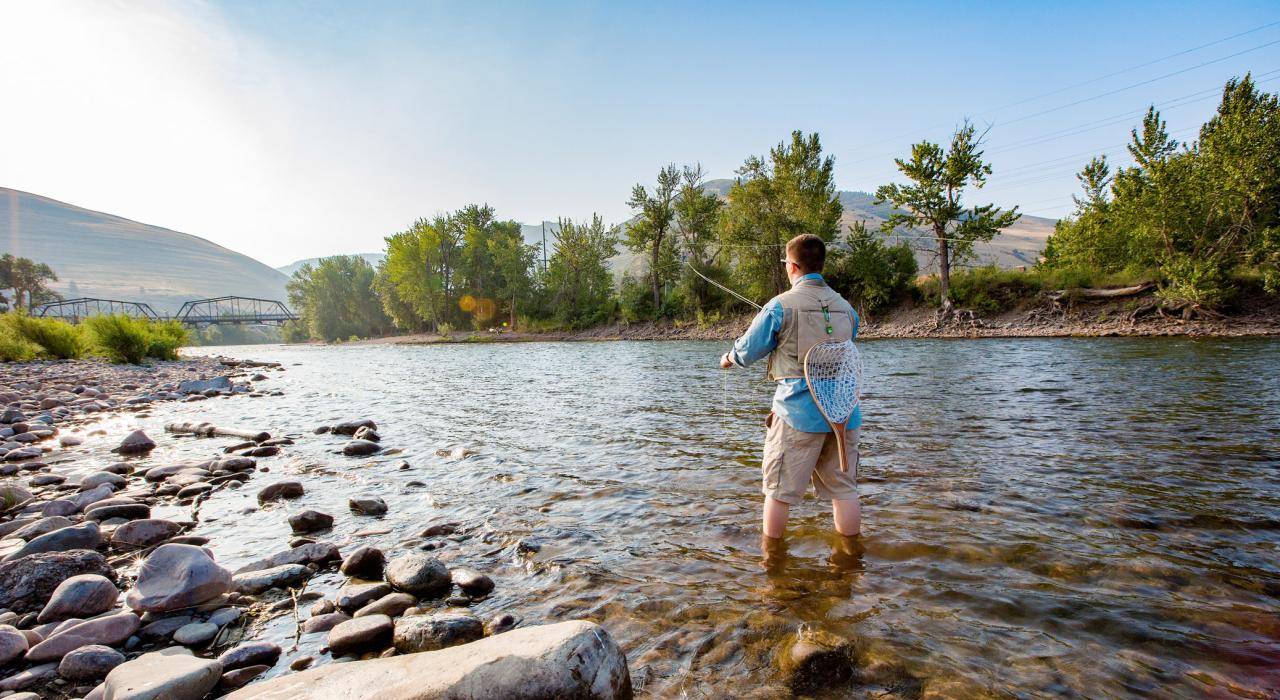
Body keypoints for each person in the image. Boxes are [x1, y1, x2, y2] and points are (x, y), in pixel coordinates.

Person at [719, 233, 862, 571]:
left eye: (786, 265)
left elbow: (746, 352)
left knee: (778, 490)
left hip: (798, 412)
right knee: (845, 489)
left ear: (793, 266)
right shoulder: (847, 309)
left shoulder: (780, 305)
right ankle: (851, 564)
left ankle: (772, 565)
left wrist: (727, 358)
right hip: (844, 413)